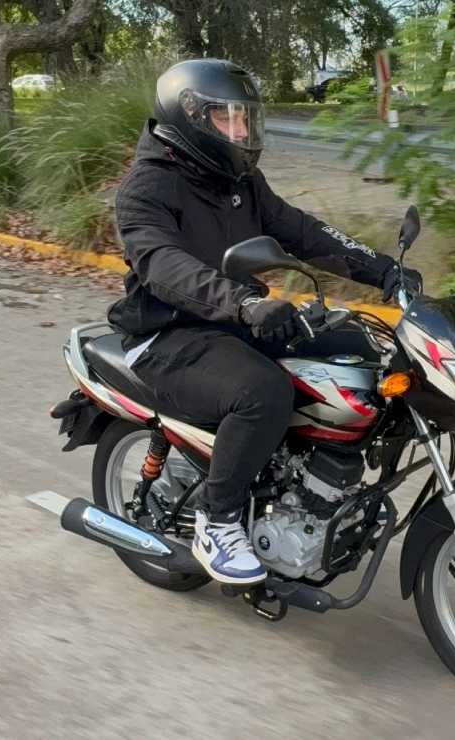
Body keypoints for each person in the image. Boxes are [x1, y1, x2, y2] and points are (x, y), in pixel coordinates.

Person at [106, 59, 421, 585]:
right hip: (167, 334)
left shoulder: (241, 181)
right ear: (190, 119)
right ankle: (217, 521)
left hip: (233, 320)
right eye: (228, 119)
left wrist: (384, 270)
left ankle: (312, 489)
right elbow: (163, 265)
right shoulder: (146, 188)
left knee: (353, 354)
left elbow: (304, 232)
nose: (242, 132)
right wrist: (243, 304)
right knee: (263, 391)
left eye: (246, 120)